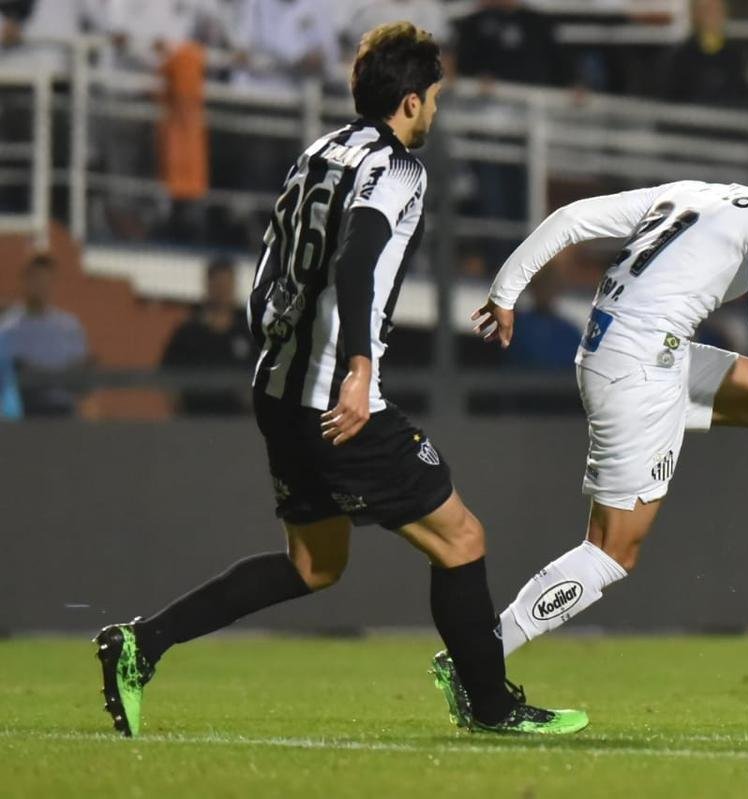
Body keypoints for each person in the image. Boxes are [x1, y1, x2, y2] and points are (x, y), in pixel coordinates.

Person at [93, 21, 586, 740]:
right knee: (462, 539)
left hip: (280, 389)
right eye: (435, 98)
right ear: (411, 102)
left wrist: (277, 353)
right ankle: (491, 705)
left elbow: (272, 268)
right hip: (338, 397)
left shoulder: (314, 154)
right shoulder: (398, 171)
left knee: (314, 563)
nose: (436, 110)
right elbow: (357, 261)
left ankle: (142, 642)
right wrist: (358, 368)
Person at [460, 148, 748, 699]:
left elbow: (569, 218)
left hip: (632, 351)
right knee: (611, 550)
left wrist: (506, 291)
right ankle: (477, 658)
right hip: (640, 370)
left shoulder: (696, 193)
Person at [160, 257, 256, 415]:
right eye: (218, 284)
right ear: (208, 285)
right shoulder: (188, 333)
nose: (222, 291)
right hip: (195, 422)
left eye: (227, 284)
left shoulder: (247, 333)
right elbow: (167, 374)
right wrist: (179, 411)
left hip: (237, 425)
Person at [0, 253, 88, 417]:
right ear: (25, 281)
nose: (40, 287)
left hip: (62, 414)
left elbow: (81, 381)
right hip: (23, 417)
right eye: (36, 280)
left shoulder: (69, 328)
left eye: (46, 281)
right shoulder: (7, 330)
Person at [658, 0, 748, 107]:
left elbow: (742, 94)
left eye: (717, 10)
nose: (713, 15)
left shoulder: (734, 54)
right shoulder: (680, 57)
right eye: (707, 10)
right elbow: (671, 101)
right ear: (695, 14)